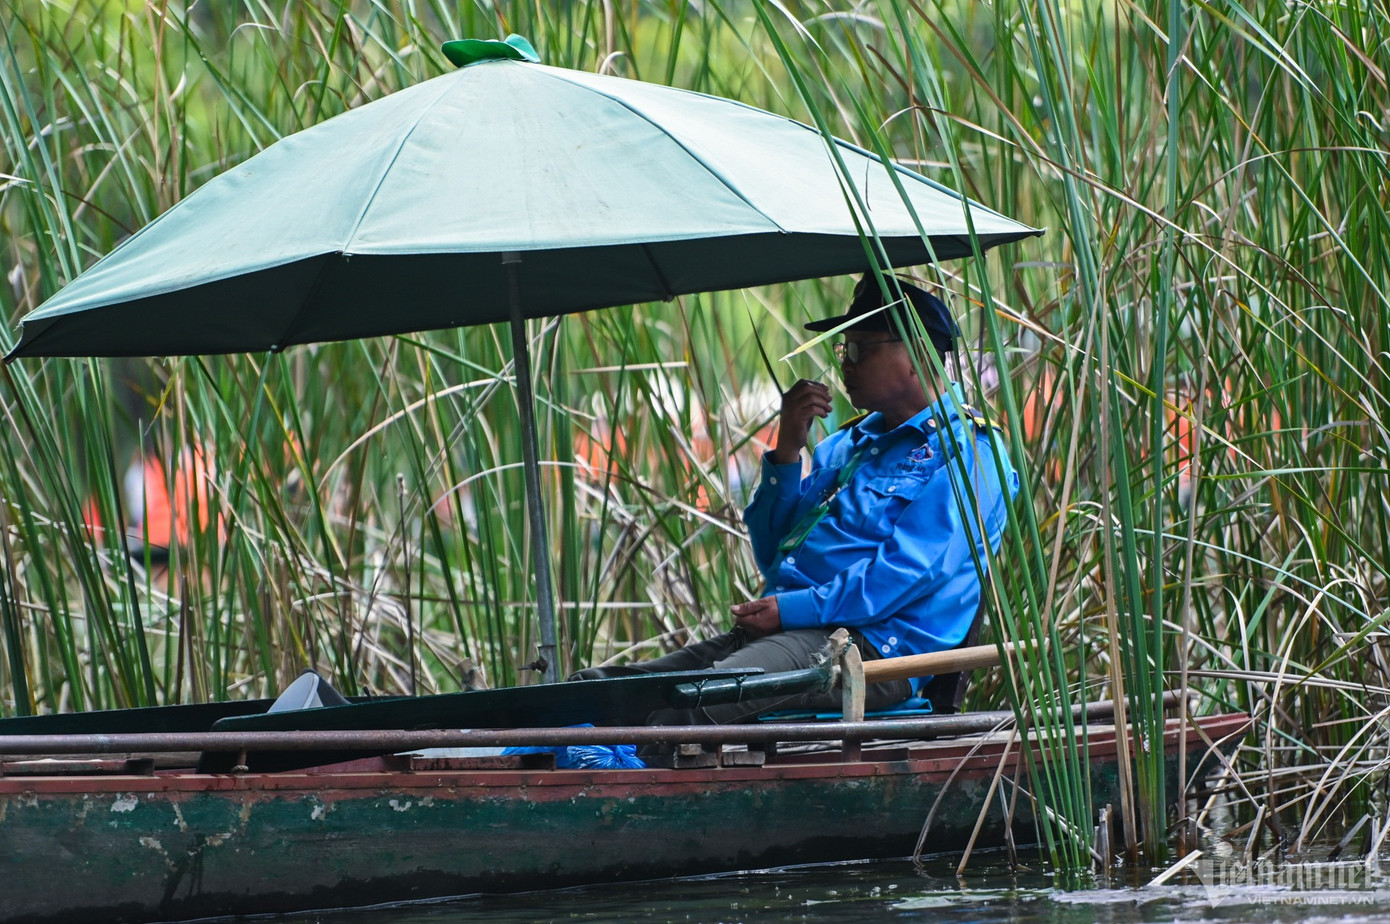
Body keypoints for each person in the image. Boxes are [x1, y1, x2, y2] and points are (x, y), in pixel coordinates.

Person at [571, 275, 1020, 726]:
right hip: (792, 632)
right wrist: (786, 452)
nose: (846, 363)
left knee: (692, 703)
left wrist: (790, 609)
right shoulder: (848, 445)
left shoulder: (969, 454)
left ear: (918, 355)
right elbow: (775, 556)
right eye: (844, 349)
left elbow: (906, 572)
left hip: (869, 651)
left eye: (861, 348)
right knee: (598, 691)